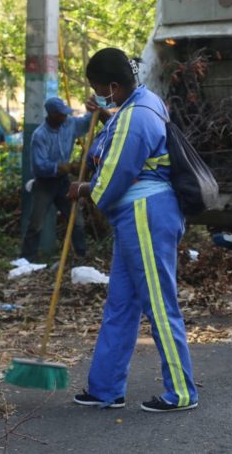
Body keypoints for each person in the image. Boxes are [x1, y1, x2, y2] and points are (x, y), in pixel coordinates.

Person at [68, 47, 199, 413]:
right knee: (121, 305)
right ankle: (106, 389)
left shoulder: (136, 115)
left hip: (146, 213)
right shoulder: (142, 103)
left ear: (113, 85)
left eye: (97, 87)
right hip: (137, 216)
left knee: (159, 303)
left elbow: (113, 177)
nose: (95, 93)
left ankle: (182, 392)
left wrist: (83, 189)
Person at [19, 96, 88, 262]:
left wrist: (96, 107)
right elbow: (39, 166)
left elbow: (86, 123)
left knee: (75, 218)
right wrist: (64, 167)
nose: (65, 117)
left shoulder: (69, 124)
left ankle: (81, 255)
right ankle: (28, 258)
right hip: (44, 183)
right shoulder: (39, 135)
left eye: (65, 114)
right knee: (36, 222)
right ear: (52, 114)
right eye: (61, 114)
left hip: (63, 182)